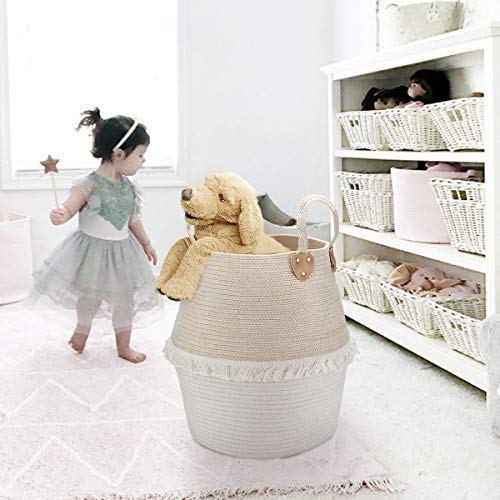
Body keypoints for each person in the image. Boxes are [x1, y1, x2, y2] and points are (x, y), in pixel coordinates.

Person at [29, 108, 163, 363]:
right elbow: (70, 206)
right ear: (118, 154)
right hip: (91, 253)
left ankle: (124, 346)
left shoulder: (129, 188)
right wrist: (61, 214)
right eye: (140, 155)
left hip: (123, 253)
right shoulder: (88, 184)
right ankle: (81, 331)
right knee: (89, 296)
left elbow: (133, 219)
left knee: (124, 300)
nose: (143, 161)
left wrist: (146, 243)